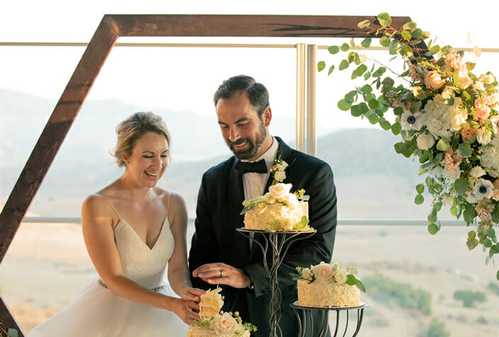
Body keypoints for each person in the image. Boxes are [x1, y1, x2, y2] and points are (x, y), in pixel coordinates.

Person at [29, 112, 203, 337]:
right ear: (125, 155)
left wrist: (187, 294)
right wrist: (171, 304)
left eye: (164, 154)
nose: (158, 164)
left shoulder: (173, 203)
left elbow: (178, 269)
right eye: (148, 155)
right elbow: (114, 278)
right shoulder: (98, 205)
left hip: (161, 316)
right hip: (109, 313)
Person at [189, 75, 337, 337]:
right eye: (224, 126)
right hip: (233, 324)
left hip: (297, 321)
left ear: (266, 116)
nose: (233, 135)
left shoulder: (314, 173)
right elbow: (202, 256)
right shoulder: (213, 180)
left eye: (242, 123)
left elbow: (317, 251)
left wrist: (249, 276)